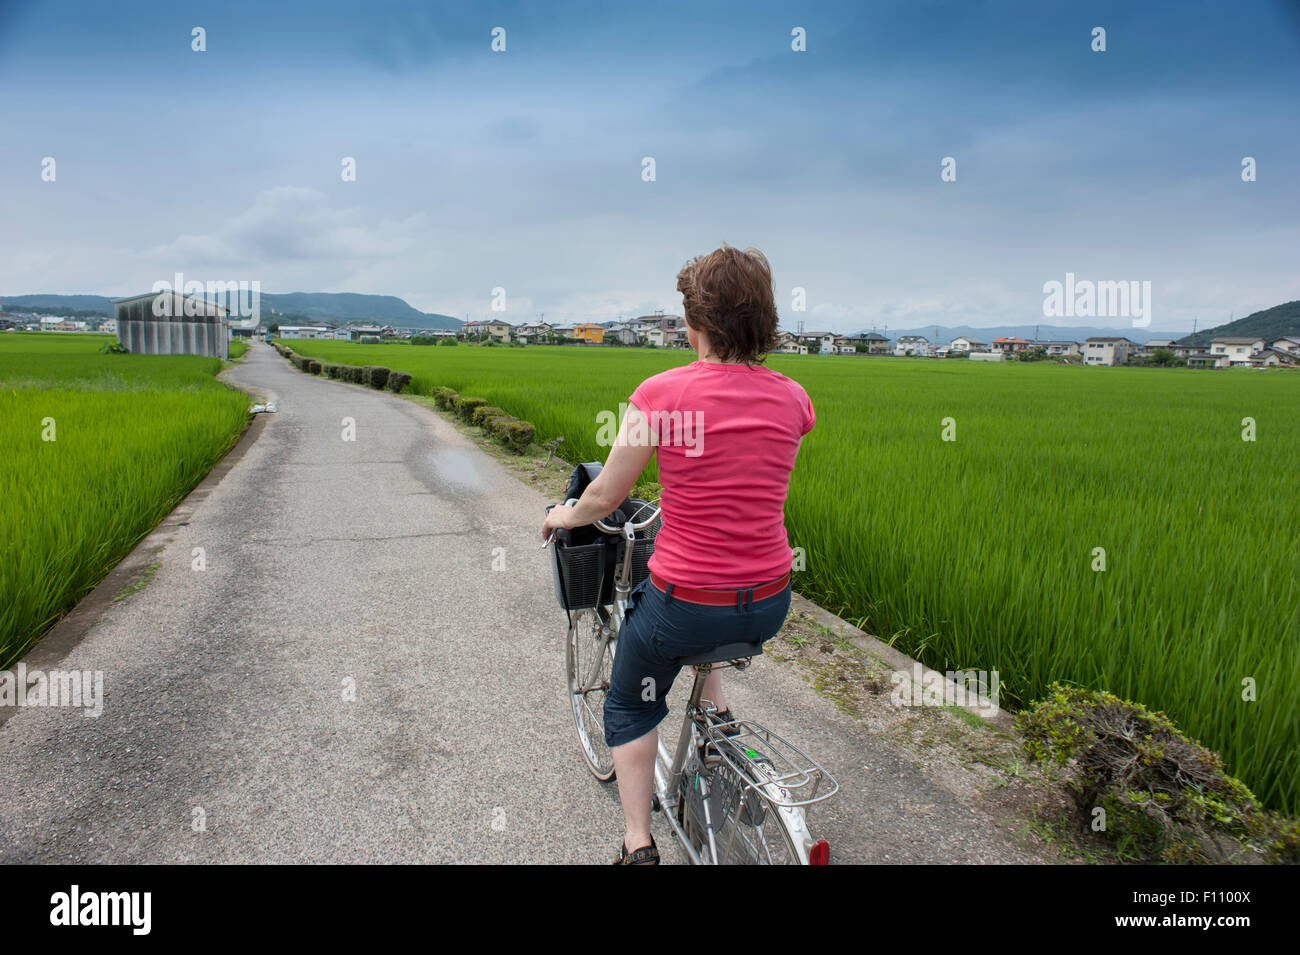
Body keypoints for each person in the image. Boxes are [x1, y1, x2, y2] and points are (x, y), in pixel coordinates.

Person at [540, 245, 816, 864]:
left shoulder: (662, 394)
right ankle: (718, 734)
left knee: (629, 700)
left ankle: (637, 844)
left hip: (686, 605)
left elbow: (606, 495)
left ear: (694, 322)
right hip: (770, 599)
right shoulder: (793, 397)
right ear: (763, 322)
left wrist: (562, 514)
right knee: (707, 618)